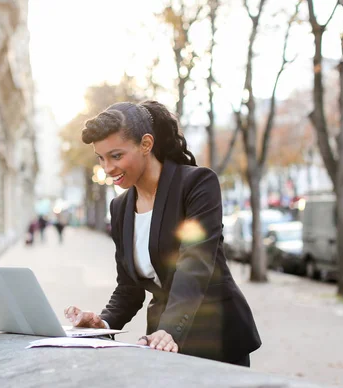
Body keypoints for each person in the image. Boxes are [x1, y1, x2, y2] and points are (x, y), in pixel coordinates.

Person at [64, 100, 261, 367]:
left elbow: (195, 263)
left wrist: (169, 329)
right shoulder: (120, 207)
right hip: (162, 340)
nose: (108, 168)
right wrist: (103, 322)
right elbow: (129, 287)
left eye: (116, 155)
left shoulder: (196, 184)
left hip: (214, 337)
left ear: (146, 144)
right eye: (101, 158)